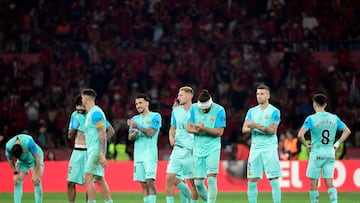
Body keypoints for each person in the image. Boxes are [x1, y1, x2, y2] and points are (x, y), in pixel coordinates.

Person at [297, 93, 351, 203]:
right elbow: (347, 131)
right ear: (325, 104)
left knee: (313, 184)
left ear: (314, 104)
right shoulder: (334, 118)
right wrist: (337, 143)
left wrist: (307, 146)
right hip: (330, 153)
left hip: (316, 153)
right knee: (329, 182)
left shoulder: (311, 119)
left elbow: (299, 135)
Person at [242, 84, 282, 203]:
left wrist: (255, 126)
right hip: (255, 148)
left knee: (273, 179)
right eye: (257, 94)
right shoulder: (251, 111)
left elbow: (272, 130)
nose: (259, 96)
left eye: (262, 94)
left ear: (268, 95)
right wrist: (253, 127)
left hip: (269, 148)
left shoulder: (274, 111)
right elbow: (244, 129)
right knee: (251, 180)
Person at [186, 89, 226, 203]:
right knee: (198, 183)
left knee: (211, 179)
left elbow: (219, 132)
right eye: (201, 108)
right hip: (198, 149)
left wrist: (204, 128)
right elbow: (188, 127)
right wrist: (198, 130)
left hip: (213, 148)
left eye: (205, 108)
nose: (203, 110)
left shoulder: (219, 110)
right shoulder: (193, 108)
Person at [166, 86, 200, 203]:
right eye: (178, 95)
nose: (178, 97)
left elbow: (202, 130)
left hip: (192, 150)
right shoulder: (176, 111)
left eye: (181, 95)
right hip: (178, 149)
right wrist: (171, 137)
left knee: (193, 182)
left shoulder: (198, 110)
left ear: (189, 96)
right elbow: (172, 128)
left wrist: (197, 145)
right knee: (170, 178)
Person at [127, 93, 162, 203]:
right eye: (136, 104)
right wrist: (134, 133)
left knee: (149, 182)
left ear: (147, 103)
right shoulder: (134, 118)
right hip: (138, 155)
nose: (138, 106)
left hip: (150, 155)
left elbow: (151, 133)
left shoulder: (155, 116)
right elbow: (130, 137)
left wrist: (138, 126)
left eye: (140, 103)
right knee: (143, 184)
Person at [81, 89, 113, 203]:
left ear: (85, 98)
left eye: (82, 98)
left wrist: (100, 152)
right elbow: (109, 131)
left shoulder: (96, 113)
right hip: (94, 150)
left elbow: (103, 132)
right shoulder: (91, 113)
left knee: (88, 178)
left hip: (96, 150)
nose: (81, 100)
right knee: (99, 179)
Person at [5, 133, 44, 203]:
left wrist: (35, 174)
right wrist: (15, 173)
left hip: (35, 158)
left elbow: (37, 157)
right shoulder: (8, 146)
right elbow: (10, 160)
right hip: (22, 162)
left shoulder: (28, 141)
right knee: (17, 182)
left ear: (23, 150)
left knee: (36, 181)